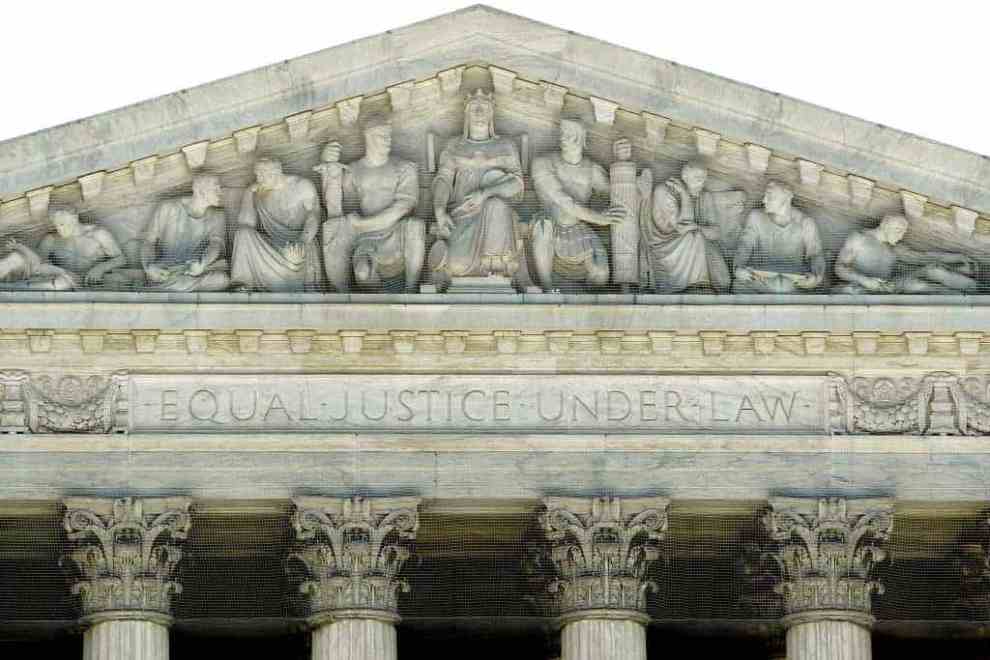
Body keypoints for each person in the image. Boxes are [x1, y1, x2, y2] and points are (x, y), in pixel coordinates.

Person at [428, 89, 526, 290]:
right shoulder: (454, 146)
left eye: (485, 108)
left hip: (497, 220)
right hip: (462, 214)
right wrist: (439, 210)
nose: (480, 113)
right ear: (466, 113)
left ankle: (497, 264)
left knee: (496, 205)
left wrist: (485, 193)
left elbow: (517, 183)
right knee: (457, 265)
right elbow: (443, 180)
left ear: (492, 114)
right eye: (475, 108)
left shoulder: (506, 146)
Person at [318, 120, 424, 292]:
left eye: (389, 136)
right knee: (361, 270)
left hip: (396, 232)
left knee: (416, 226)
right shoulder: (353, 170)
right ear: (368, 138)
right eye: (382, 136)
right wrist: (330, 167)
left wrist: (363, 224)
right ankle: (341, 294)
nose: (388, 140)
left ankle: (410, 290)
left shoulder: (404, 167)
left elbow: (404, 206)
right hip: (366, 238)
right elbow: (338, 209)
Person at [530, 120, 626, 291]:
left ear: (582, 137)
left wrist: (623, 161)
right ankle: (547, 289)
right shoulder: (543, 162)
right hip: (550, 225)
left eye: (571, 133)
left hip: (578, 229)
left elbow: (619, 193)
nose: (565, 137)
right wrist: (599, 218)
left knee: (601, 273)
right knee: (543, 227)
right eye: (563, 132)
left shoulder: (592, 169)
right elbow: (562, 199)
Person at [231, 158, 321, 292]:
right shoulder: (260, 194)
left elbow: (314, 215)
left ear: (277, 172)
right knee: (242, 234)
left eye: (262, 174)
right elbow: (245, 223)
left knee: (294, 257)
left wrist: (302, 241)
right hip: (272, 246)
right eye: (257, 175)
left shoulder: (302, 185)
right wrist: (248, 192)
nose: (259, 179)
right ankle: (242, 284)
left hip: (300, 243)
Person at [642, 162, 732, 293]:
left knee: (724, 281)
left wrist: (697, 227)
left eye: (704, 178)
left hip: (697, 243)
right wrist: (684, 195)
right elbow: (682, 226)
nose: (702, 182)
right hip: (666, 245)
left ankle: (703, 285)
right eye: (698, 178)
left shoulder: (705, 196)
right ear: (684, 176)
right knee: (694, 237)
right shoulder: (663, 191)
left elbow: (716, 233)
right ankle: (698, 286)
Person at [833, 214, 978, 294]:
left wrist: (957, 257)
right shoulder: (859, 238)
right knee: (917, 285)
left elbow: (923, 257)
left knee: (934, 269)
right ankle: (957, 297)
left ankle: (972, 291)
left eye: (903, 232)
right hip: (861, 287)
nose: (902, 236)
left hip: (889, 287)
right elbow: (840, 267)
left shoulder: (894, 248)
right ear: (885, 224)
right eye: (899, 230)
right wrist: (865, 280)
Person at [0, 207, 128, 290]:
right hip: (55, 273)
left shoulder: (97, 234)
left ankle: (14, 289)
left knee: (62, 283)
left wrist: (100, 268)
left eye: (62, 224)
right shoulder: (51, 239)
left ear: (74, 218)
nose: (59, 229)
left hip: (78, 280)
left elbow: (121, 258)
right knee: (16, 258)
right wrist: (21, 248)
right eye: (56, 225)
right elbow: (38, 265)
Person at [140, 174, 230, 291]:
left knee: (222, 279)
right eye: (216, 188)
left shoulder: (218, 215)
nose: (220, 192)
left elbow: (216, 244)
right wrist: (148, 267)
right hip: (167, 269)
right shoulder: (167, 207)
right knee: (164, 277)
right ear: (200, 191)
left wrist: (202, 263)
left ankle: (173, 286)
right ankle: (173, 284)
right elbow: (148, 241)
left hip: (195, 270)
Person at [732, 182, 826, 294]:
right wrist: (738, 268)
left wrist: (816, 277)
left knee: (820, 290)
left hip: (795, 282)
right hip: (761, 279)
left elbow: (815, 254)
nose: (764, 200)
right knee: (738, 286)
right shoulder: (756, 217)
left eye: (770, 196)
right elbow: (744, 246)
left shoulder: (805, 223)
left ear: (787, 197)